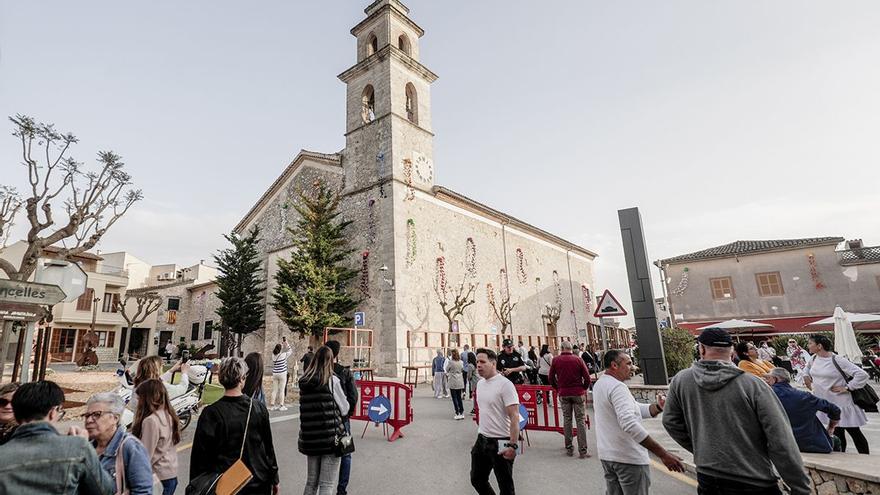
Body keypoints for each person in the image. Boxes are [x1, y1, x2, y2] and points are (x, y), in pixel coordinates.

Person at [663, 328, 811, 495]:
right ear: (732, 351)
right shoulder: (753, 385)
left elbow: (670, 421)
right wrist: (800, 487)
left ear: (701, 349)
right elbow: (781, 439)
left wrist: (703, 449)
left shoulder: (681, 381)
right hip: (754, 479)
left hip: (709, 478)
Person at [593, 349, 682, 494]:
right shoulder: (617, 388)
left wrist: (658, 407)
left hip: (609, 457)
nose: (633, 367)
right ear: (614, 365)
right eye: (628, 363)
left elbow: (634, 409)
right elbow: (629, 423)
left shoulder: (600, 384)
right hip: (628, 459)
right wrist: (663, 454)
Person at [0, 380, 114, 494]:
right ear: (53, 412)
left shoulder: (3, 453)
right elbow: (105, 490)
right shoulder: (78, 448)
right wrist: (85, 448)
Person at [191, 357, 279, 494]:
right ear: (242, 378)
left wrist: (196, 486)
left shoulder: (211, 414)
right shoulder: (258, 408)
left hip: (224, 484)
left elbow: (199, 456)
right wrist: (274, 477)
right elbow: (268, 449)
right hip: (258, 481)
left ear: (221, 379)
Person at [804, 333, 871, 454]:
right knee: (837, 433)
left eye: (810, 343)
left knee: (855, 433)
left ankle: (867, 460)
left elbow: (862, 374)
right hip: (827, 403)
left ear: (819, 346)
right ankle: (841, 459)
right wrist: (806, 376)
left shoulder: (837, 359)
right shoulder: (814, 358)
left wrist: (847, 387)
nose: (807, 345)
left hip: (842, 403)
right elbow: (807, 369)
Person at [298, 346, 350, 495]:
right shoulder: (332, 381)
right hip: (331, 438)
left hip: (310, 437)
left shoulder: (304, 382)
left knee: (311, 482)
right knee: (327, 484)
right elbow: (345, 407)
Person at [471, 348, 520, 495]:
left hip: (501, 442)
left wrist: (513, 445)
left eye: (482, 362)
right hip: (482, 439)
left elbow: (515, 417)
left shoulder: (505, 385)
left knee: (505, 487)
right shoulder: (480, 384)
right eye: (477, 362)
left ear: (493, 363)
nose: (478, 365)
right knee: (477, 479)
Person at [85, 393, 154, 495]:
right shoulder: (86, 448)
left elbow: (143, 491)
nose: (89, 420)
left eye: (97, 414)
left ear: (115, 418)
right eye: (87, 415)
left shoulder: (131, 447)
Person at [763, 368, 841, 454]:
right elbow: (835, 410)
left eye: (768, 378)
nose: (767, 381)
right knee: (836, 440)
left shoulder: (764, 396)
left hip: (779, 445)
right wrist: (831, 427)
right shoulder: (804, 396)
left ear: (775, 379)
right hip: (811, 444)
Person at [132, 379, 181, 494]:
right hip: (170, 472)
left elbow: (146, 453)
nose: (137, 401)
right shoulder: (168, 415)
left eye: (139, 398)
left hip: (158, 475)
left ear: (147, 399)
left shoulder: (151, 421)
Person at [325, 340, 359, 495]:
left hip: (324, 420)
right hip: (343, 421)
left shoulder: (318, 372)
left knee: (323, 455)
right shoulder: (344, 372)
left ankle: (324, 487)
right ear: (337, 354)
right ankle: (341, 489)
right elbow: (353, 396)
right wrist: (348, 414)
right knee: (346, 455)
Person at [548, 341, 592, 458]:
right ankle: (583, 450)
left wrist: (558, 388)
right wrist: (583, 388)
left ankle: (569, 448)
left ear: (562, 348)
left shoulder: (556, 360)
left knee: (567, 419)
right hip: (578, 393)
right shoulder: (578, 360)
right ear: (571, 348)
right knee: (580, 420)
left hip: (564, 393)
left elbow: (551, 377)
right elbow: (587, 377)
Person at [270, 339, 293, 411]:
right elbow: (290, 351)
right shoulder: (283, 355)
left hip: (275, 373)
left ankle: (272, 406)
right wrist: (286, 344)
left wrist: (281, 346)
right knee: (281, 390)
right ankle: (281, 405)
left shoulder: (273, 355)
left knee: (274, 390)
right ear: (280, 349)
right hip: (282, 374)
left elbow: (277, 351)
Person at [445, 348, 466, 419]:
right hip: (459, 380)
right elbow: (462, 369)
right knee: (459, 397)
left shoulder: (451, 362)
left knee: (454, 398)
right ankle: (462, 411)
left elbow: (447, 369)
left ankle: (457, 412)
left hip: (453, 380)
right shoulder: (461, 362)